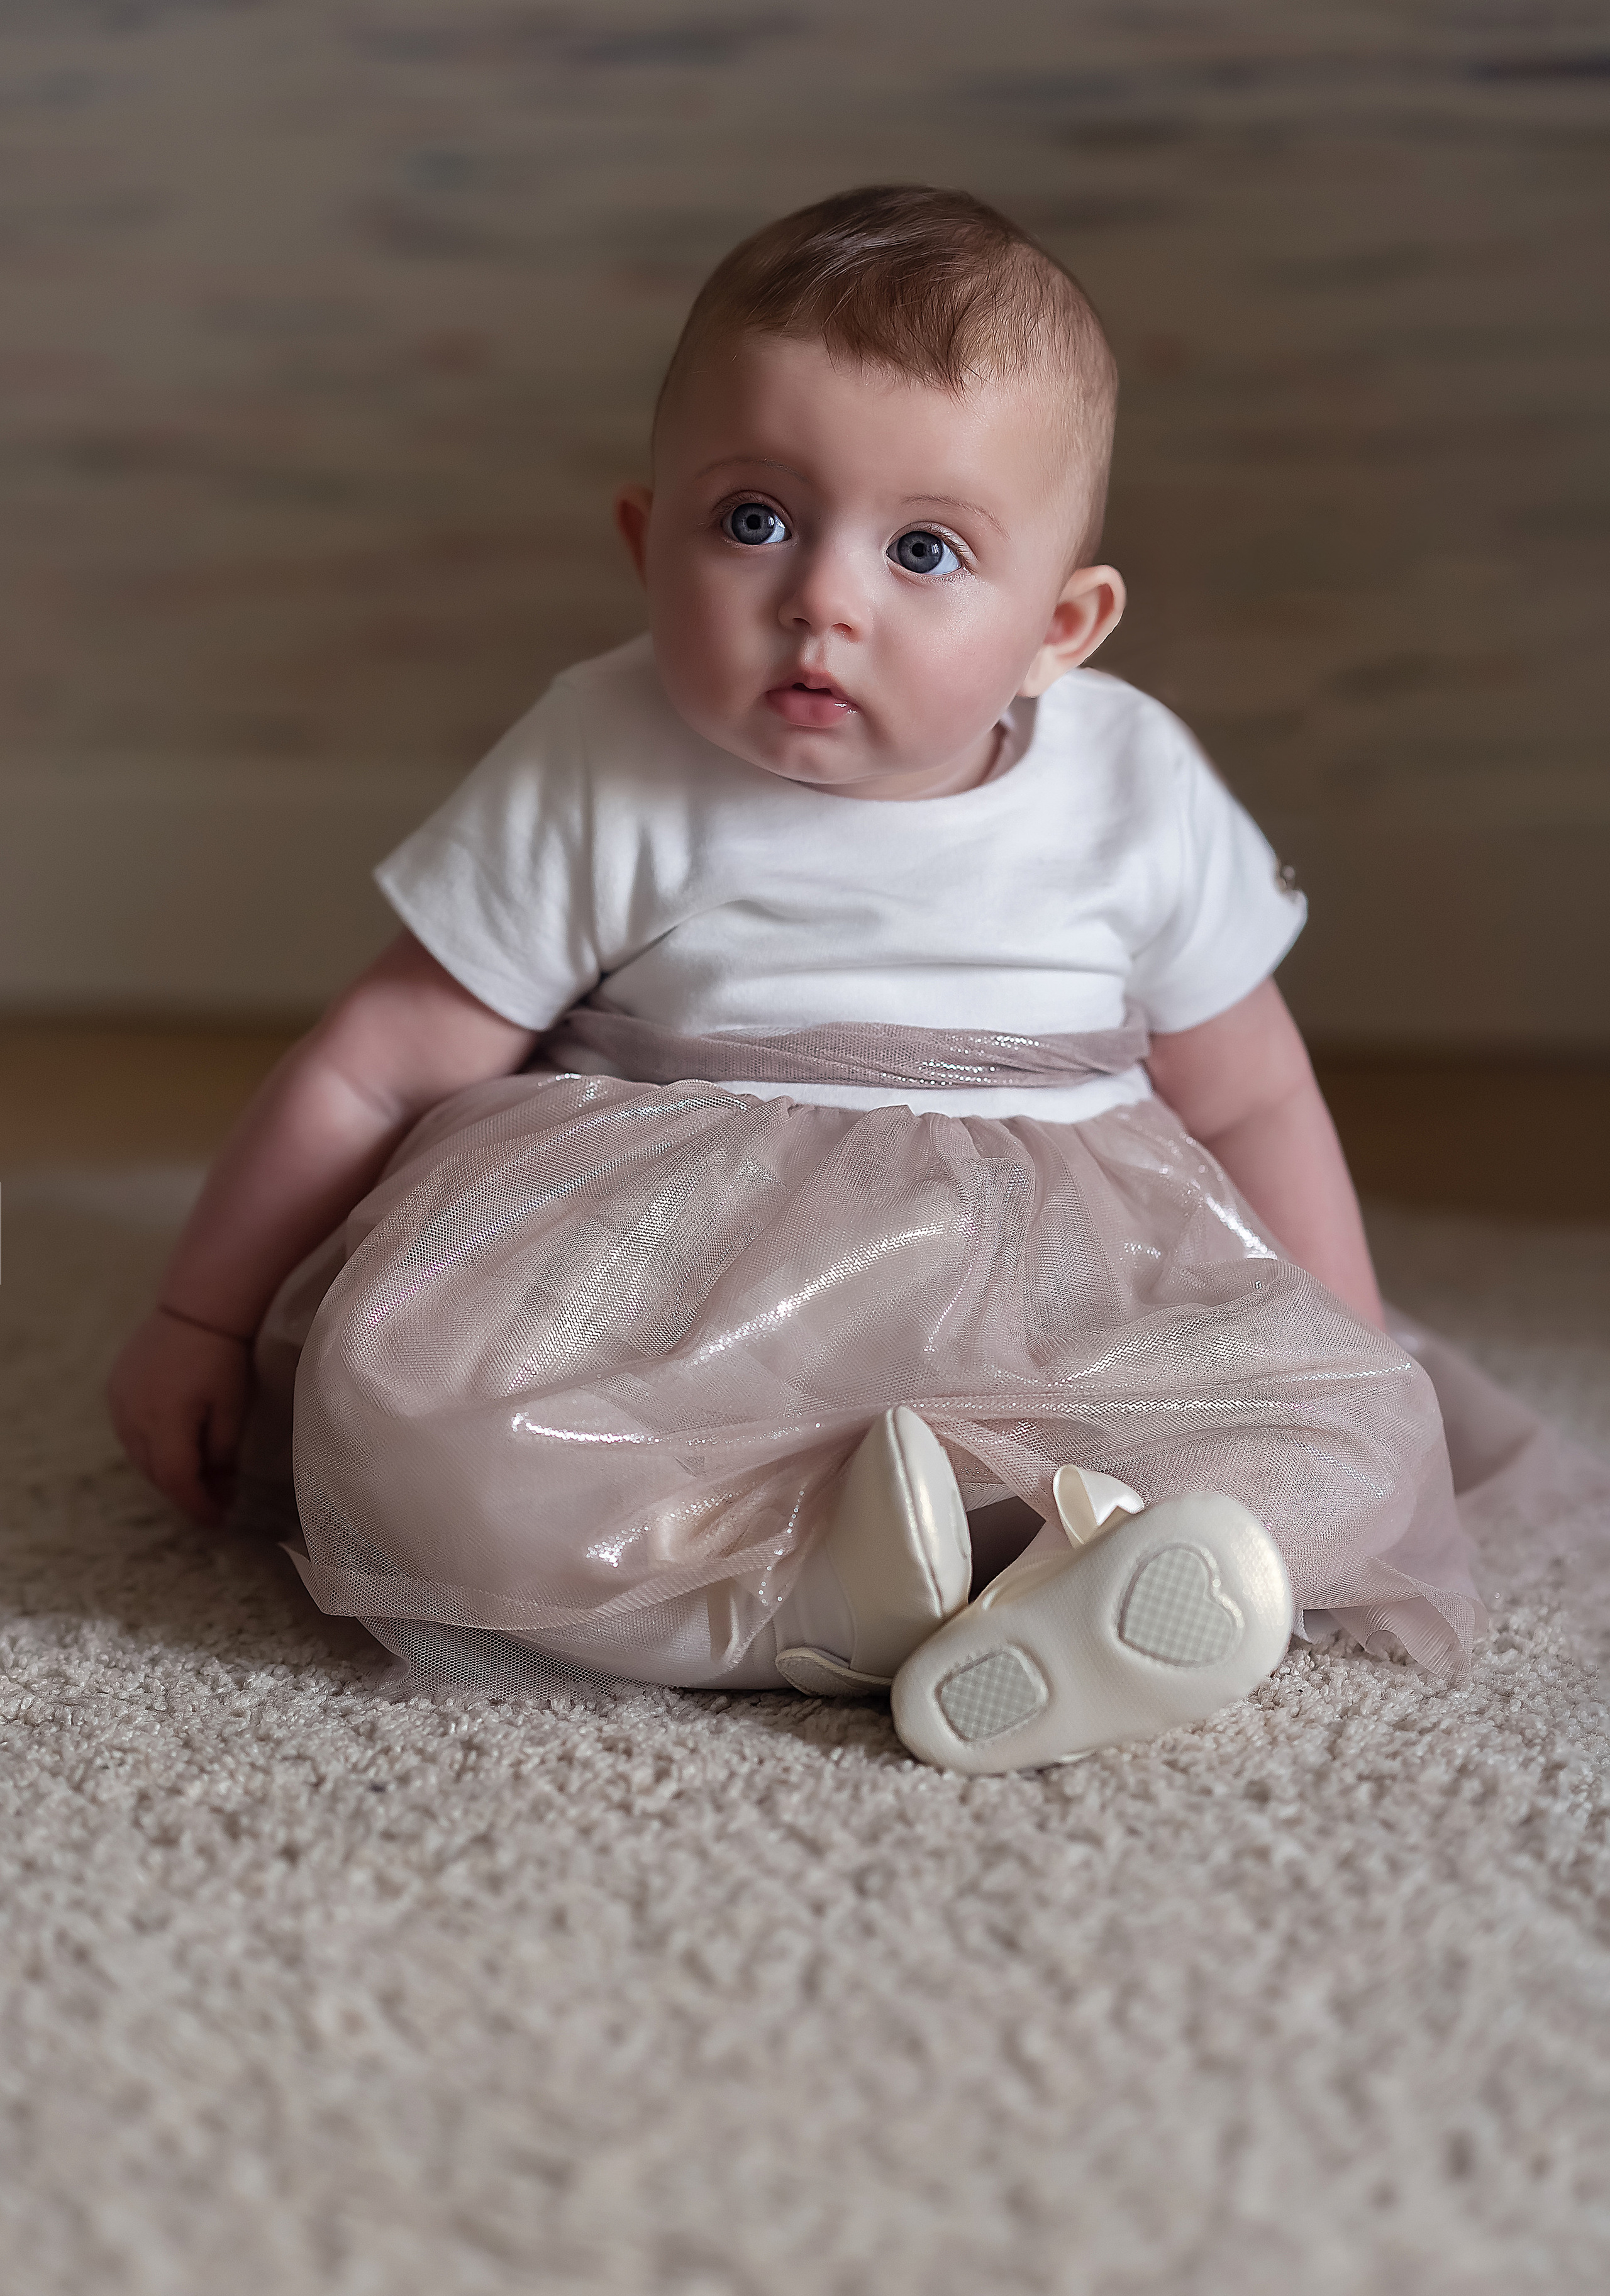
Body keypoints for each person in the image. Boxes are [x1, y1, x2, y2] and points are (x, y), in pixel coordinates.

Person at [106, 186, 1483, 1772]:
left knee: (1330, 1444)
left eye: (922, 548)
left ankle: (1079, 1565)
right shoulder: (603, 750)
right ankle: (823, 1594)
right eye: (752, 519)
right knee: (424, 1422)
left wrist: (1344, 1348)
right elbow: (385, 1058)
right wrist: (199, 1314)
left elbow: (1249, 1091)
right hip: (668, 1268)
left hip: (1058, 1284)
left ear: (1061, 626)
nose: (821, 596)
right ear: (646, 540)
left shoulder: (1133, 782)